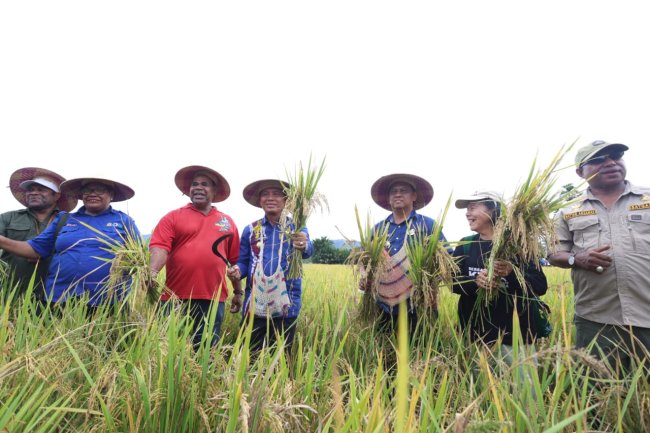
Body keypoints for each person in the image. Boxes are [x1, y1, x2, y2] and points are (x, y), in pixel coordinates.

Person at [548, 140, 650, 368]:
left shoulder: (647, 200)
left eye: (616, 156)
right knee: (598, 389)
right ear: (580, 172)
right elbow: (555, 254)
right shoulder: (568, 211)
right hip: (597, 317)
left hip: (647, 310)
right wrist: (577, 259)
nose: (610, 163)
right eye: (598, 160)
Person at [0, 176, 140, 312]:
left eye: (99, 189)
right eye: (87, 190)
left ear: (111, 195)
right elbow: (35, 248)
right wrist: (3, 241)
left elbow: (139, 259)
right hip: (59, 297)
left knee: (105, 335)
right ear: (81, 195)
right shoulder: (64, 219)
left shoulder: (124, 221)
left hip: (108, 300)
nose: (92, 194)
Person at [149, 165, 242, 347]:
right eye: (195, 184)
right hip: (174, 297)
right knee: (168, 348)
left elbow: (234, 261)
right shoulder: (173, 217)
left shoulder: (227, 222)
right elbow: (160, 247)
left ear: (214, 191)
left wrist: (238, 292)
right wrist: (152, 271)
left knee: (206, 350)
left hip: (213, 298)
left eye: (205, 184)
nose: (198, 187)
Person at [452, 191, 549, 350]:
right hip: (475, 336)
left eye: (472, 208)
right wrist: (476, 281)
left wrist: (511, 273)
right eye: (467, 209)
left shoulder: (519, 245)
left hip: (516, 338)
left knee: (519, 376)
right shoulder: (465, 244)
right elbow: (453, 283)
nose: (467, 214)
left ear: (493, 209)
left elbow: (540, 286)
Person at [227, 179, 313, 352]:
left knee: (282, 356)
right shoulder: (251, 230)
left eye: (276, 194)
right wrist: (237, 270)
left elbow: (308, 249)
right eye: (265, 194)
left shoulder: (297, 227)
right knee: (249, 356)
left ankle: (284, 380)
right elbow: (244, 262)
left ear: (286, 200)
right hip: (255, 303)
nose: (270, 198)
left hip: (287, 302)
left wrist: (304, 244)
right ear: (260, 201)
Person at [367, 173, 447, 334]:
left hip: (419, 304)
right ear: (388, 199)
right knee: (383, 352)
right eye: (393, 191)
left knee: (420, 353)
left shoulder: (428, 225)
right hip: (383, 305)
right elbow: (365, 262)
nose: (397, 194)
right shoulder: (378, 229)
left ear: (414, 196)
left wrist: (429, 283)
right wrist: (365, 278)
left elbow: (445, 259)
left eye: (403, 190)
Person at [0, 167, 77, 299]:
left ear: (56, 195)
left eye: (41, 190)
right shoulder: (8, 218)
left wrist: (41, 252)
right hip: (9, 292)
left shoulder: (70, 221)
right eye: (30, 190)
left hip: (52, 295)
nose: (33, 193)